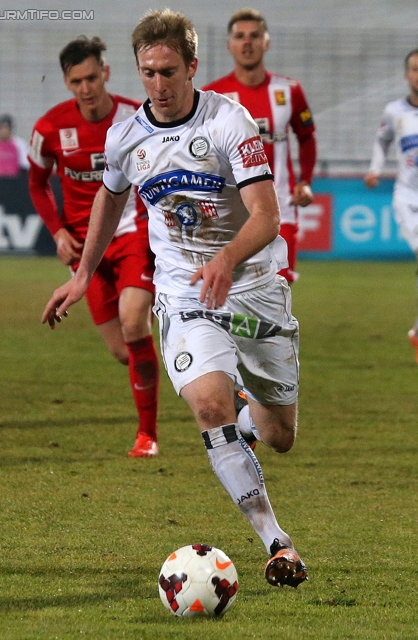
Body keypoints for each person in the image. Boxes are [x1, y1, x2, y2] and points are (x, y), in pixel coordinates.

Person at [41, 10, 308, 588]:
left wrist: (228, 258)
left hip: (256, 288)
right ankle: (277, 543)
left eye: (167, 72)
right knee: (208, 409)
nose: (157, 86)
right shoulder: (127, 136)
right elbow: (111, 199)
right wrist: (85, 273)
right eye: (147, 73)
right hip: (184, 289)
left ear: (191, 67)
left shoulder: (230, 123)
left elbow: (267, 216)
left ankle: (247, 409)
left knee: (279, 434)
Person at [29, 36, 159, 457]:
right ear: (67, 83)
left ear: (105, 72)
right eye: (76, 81)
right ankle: (201, 370)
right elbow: (36, 183)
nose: (86, 88)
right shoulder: (49, 129)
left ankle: (147, 436)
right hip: (85, 251)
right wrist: (57, 232)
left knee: (134, 321)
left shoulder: (136, 117)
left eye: (92, 77)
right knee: (126, 352)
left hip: (131, 232)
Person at [203, 8, 317, 284]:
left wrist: (305, 181)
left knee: (278, 284)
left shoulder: (289, 91)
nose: (247, 42)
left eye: (254, 36)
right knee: (232, 288)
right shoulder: (212, 96)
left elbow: (307, 138)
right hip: (230, 209)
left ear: (266, 42)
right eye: (240, 36)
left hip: (281, 208)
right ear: (229, 45)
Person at [365, 48, 418, 364]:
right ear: (406, 74)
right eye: (414, 68)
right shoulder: (394, 111)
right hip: (408, 199)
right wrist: (375, 167)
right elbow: (382, 140)